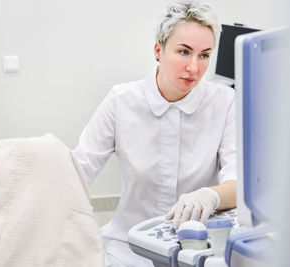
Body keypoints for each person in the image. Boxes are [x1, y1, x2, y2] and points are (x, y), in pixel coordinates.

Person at [73, 0, 236, 266]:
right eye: (184, 52)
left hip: (196, 248)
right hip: (127, 247)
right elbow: (79, 171)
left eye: (204, 55)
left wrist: (211, 194)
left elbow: (240, 182)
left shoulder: (225, 102)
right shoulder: (121, 100)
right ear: (158, 50)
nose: (194, 68)